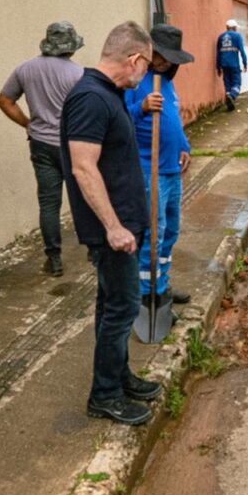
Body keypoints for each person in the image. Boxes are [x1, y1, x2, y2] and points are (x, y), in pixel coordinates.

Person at [61, 21, 160, 426]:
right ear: (134, 60)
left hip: (125, 222)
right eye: (146, 66)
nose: (145, 74)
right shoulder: (89, 99)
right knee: (121, 308)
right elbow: (84, 169)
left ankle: (119, 377)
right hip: (112, 230)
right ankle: (104, 395)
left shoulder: (110, 94)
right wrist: (114, 227)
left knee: (113, 305)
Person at [0, 21, 85, 277]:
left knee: (49, 203)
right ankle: (93, 249)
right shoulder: (78, 74)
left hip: (40, 144)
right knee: (83, 197)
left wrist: (28, 124)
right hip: (71, 144)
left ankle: (54, 259)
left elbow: (4, 101)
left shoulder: (25, 69)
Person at [124, 24, 193, 311]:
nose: (165, 62)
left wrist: (184, 146)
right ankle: (145, 294)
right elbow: (119, 121)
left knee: (171, 230)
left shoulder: (165, 80)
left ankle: (161, 285)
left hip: (170, 168)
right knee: (154, 232)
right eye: (161, 56)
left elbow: (173, 117)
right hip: (146, 167)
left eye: (169, 58)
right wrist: (141, 108)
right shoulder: (135, 79)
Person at [216, 19, 248, 111]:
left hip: (224, 65)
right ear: (234, 28)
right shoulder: (237, 36)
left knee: (227, 84)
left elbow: (218, 53)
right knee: (237, 83)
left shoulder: (220, 37)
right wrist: (245, 63)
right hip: (234, 64)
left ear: (227, 27)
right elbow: (242, 51)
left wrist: (218, 67)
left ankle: (229, 99)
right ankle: (232, 96)